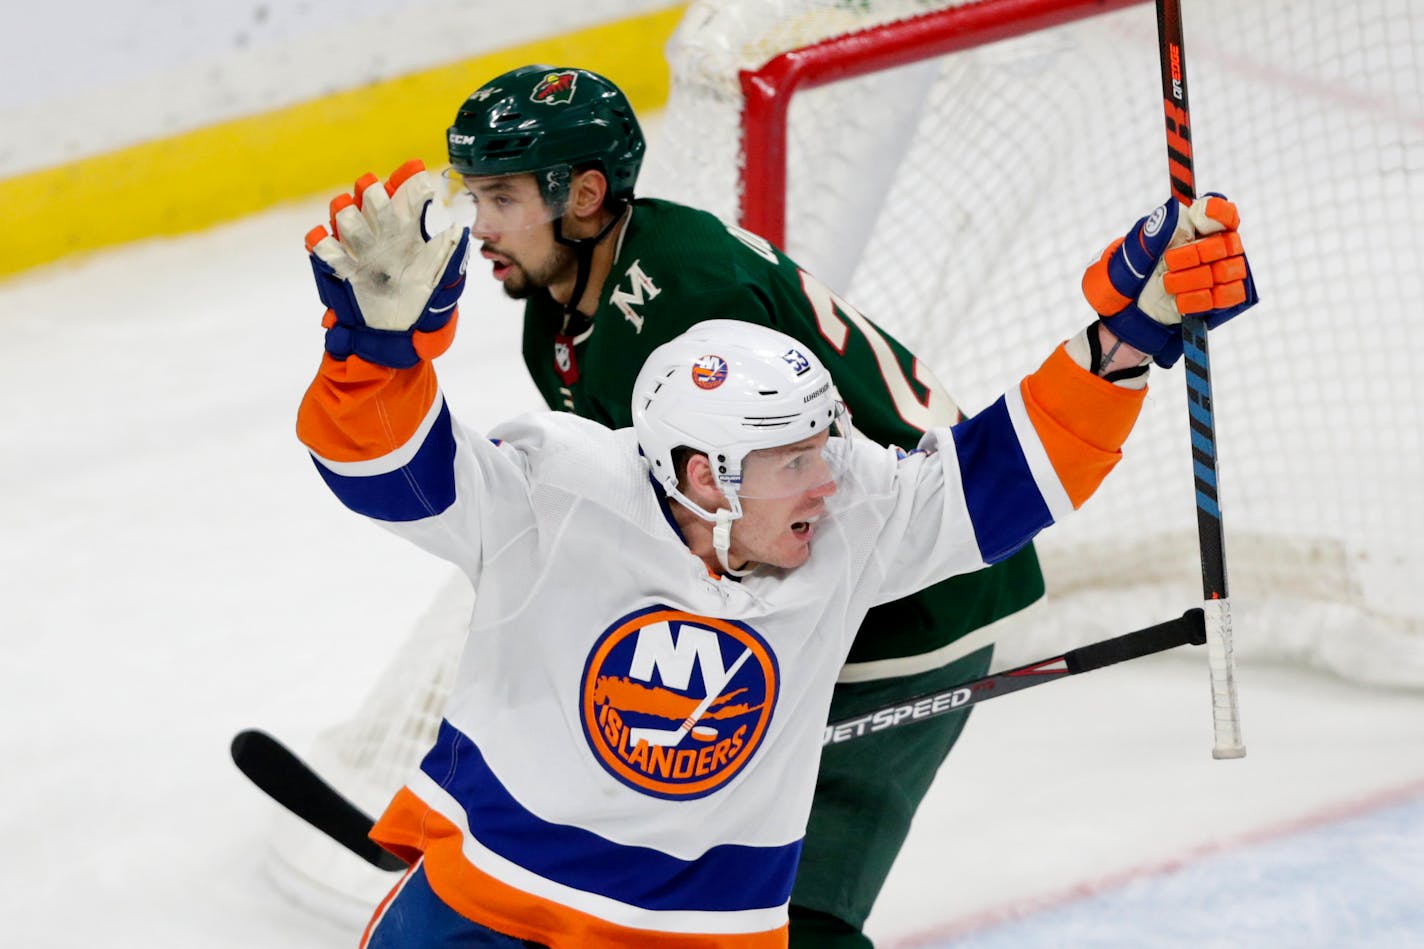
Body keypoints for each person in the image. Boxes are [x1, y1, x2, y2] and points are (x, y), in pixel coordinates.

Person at [297, 154, 1256, 945]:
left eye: (821, 445)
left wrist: (1128, 334)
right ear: (703, 472)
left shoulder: (849, 510)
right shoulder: (562, 491)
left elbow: (1007, 474)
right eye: (792, 460)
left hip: (699, 930)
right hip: (489, 894)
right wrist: (373, 357)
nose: (827, 479)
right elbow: (391, 477)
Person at [442, 65, 1049, 947]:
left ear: (582, 193)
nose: (480, 227)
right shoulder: (565, 310)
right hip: (812, 568)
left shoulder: (689, 300)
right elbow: (660, 519)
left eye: (500, 197)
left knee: (779, 915)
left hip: (907, 597)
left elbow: (758, 530)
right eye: (475, 197)